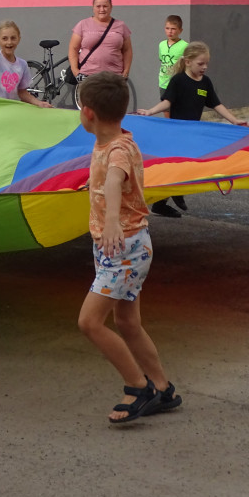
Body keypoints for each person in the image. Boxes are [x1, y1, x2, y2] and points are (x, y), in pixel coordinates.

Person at [75, 72, 181, 423]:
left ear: (87, 114)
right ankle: (163, 389)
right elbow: (107, 177)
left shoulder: (118, 150)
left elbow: (116, 180)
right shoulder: (116, 139)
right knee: (127, 323)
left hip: (122, 247)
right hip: (121, 246)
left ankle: (137, 386)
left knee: (90, 322)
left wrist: (110, 223)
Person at [136, 41, 248, 217]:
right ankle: (174, 193)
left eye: (206, 64)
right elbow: (167, 102)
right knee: (177, 165)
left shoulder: (205, 83)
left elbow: (216, 104)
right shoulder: (178, 80)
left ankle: (162, 201)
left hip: (193, 133)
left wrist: (234, 121)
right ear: (188, 62)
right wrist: (150, 111)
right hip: (177, 133)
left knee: (189, 164)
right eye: (200, 64)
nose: (204, 67)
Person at [0, 20, 53, 108]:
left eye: (13, 38)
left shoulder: (22, 65)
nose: (9, 42)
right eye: (4, 38)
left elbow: (22, 92)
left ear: (19, 39)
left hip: (9, 111)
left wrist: (39, 103)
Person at [69, 0, 132, 83]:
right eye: (98, 6)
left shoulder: (120, 25)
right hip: (88, 76)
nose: (102, 9)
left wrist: (126, 72)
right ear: (93, 7)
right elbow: (73, 48)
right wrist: (76, 72)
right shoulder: (83, 24)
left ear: (111, 7)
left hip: (114, 76)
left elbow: (127, 50)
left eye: (105, 6)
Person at [158, 15, 187, 100]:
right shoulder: (161, 44)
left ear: (180, 30)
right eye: (167, 28)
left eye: (173, 29)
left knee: (177, 108)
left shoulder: (185, 46)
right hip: (163, 83)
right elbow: (162, 60)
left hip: (178, 83)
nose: (170, 31)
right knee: (165, 109)